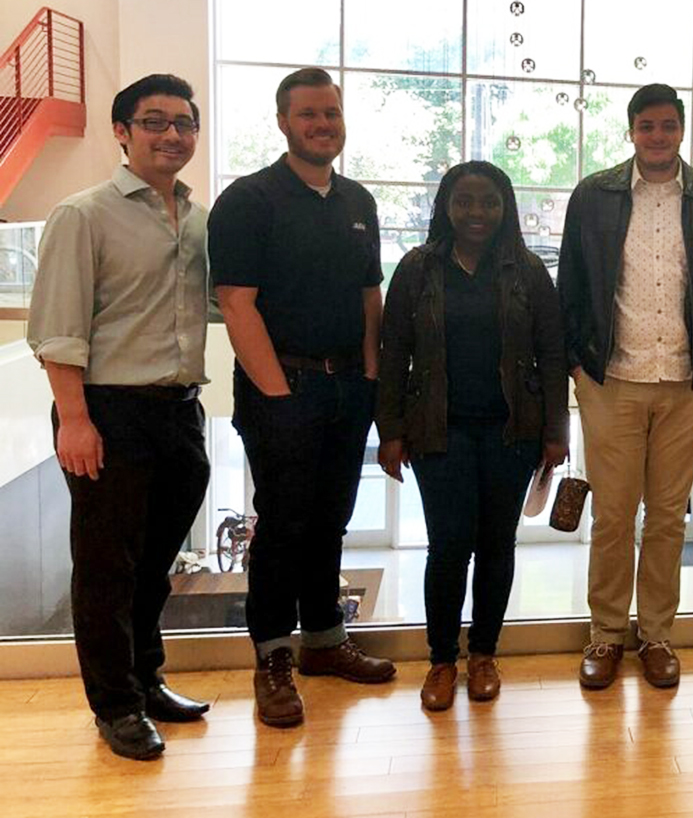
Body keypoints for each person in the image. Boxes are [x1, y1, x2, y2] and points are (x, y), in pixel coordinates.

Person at [27, 74, 212, 760]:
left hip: (180, 411)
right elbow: (57, 330)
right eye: (155, 121)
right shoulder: (84, 214)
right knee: (105, 568)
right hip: (107, 411)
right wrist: (74, 419)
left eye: (184, 123)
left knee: (154, 565)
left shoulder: (195, 218)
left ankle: (146, 679)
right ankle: (115, 706)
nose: (172, 135)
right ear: (122, 131)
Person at [209, 67, 395, 728]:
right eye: (309, 114)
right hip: (280, 388)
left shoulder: (357, 202)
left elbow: (370, 295)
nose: (322, 125)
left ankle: (322, 640)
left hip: (349, 386)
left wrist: (372, 380)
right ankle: (272, 657)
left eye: (332, 114)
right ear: (283, 121)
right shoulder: (249, 201)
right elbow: (237, 304)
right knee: (283, 524)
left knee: (330, 519)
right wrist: (281, 396)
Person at [558, 83, 693, 689]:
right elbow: (571, 281)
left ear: (682, 130)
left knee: (667, 515)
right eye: (647, 126)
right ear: (631, 131)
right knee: (614, 515)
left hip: (692, 382)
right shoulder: (594, 196)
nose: (658, 136)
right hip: (611, 377)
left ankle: (657, 635)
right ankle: (607, 634)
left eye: (668, 125)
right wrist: (575, 363)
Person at [375, 162, 569, 711]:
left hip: (513, 433)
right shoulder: (417, 269)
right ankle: (442, 660)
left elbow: (552, 356)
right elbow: (393, 354)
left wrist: (556, 431)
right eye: (465, 202)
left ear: (505, 207)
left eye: (489, 202)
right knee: (448, 547)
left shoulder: (529, 271)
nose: (477, 213)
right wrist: (389, 430)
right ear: (446, 206)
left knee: (497, 547)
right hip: (438, 432)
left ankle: (483, 653)